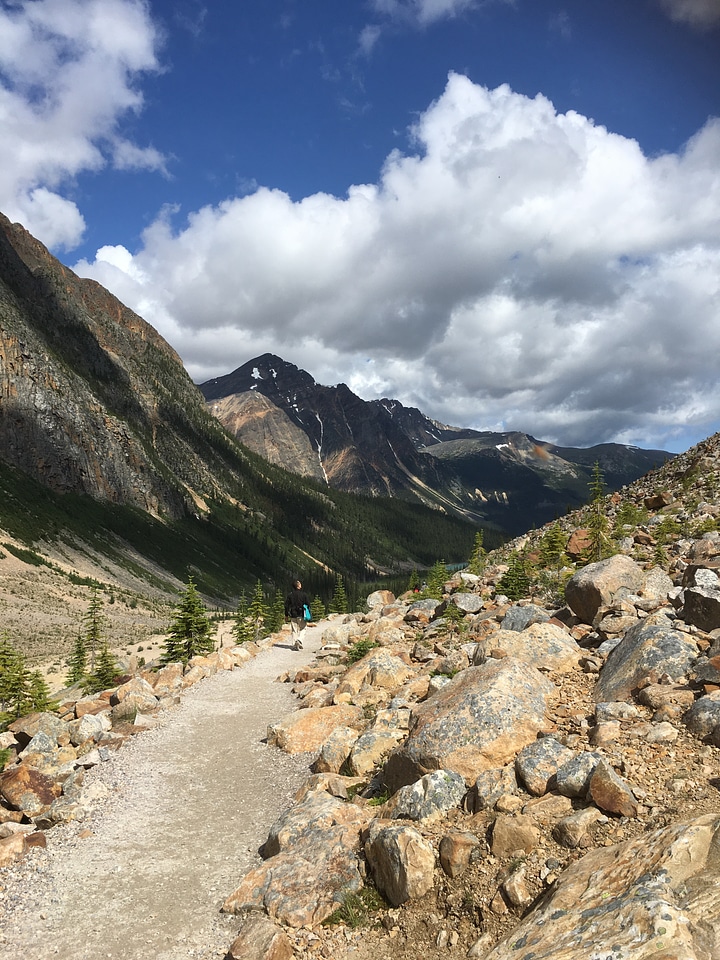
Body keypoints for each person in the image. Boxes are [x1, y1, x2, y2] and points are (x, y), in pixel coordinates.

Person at [284, 578, 311, 650]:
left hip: (293, 614)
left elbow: (286, 605)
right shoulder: (303, 595)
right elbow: (308, 604)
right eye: (300, 583)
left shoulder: (290, 595)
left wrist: (286, 615)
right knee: (303, 628)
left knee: (294, 630)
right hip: (301, 614)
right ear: (298, 586)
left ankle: (295, 644)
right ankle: (299, 640)